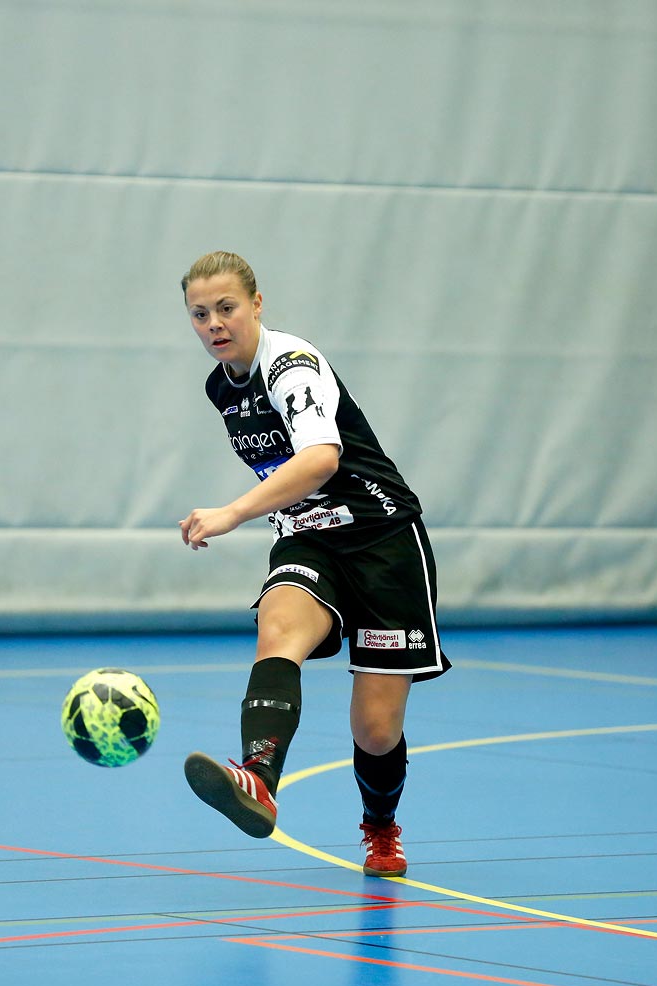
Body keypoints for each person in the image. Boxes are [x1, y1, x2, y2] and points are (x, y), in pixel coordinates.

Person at [177, 250, 452, 878]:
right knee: (276, 625)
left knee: (376, 730)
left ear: (256, 305)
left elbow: (321, 460)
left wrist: (231, 513)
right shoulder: (222, 386)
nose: (215, 323)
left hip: (381, 538)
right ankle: (258, 780)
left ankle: (380, 829)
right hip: (308, 538)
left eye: (227, 308)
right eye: (200, 314)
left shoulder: (292, 365)